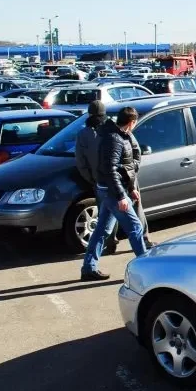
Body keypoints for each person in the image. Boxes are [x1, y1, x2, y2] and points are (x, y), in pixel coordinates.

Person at [79, 107, 147, 281]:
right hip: (112, 192)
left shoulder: (117, 135)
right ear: (132, 122)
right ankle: (146, 270)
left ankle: (88, 268)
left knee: (103, 229)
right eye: (135, 122)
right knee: (135, 227)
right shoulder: (114, 139)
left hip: (111, 190)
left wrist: (131, 188)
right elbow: (110, 170)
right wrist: (121, 196)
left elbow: (125, 168)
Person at [74, 101, 118, 253]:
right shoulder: (113, 129)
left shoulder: (83, 134)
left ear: (89, 114)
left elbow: (80, 162)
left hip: (99, 182)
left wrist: (91, 178)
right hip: (115, 179)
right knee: (121, 213)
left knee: (105, 214)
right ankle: (116, 241)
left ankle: (107, 244)